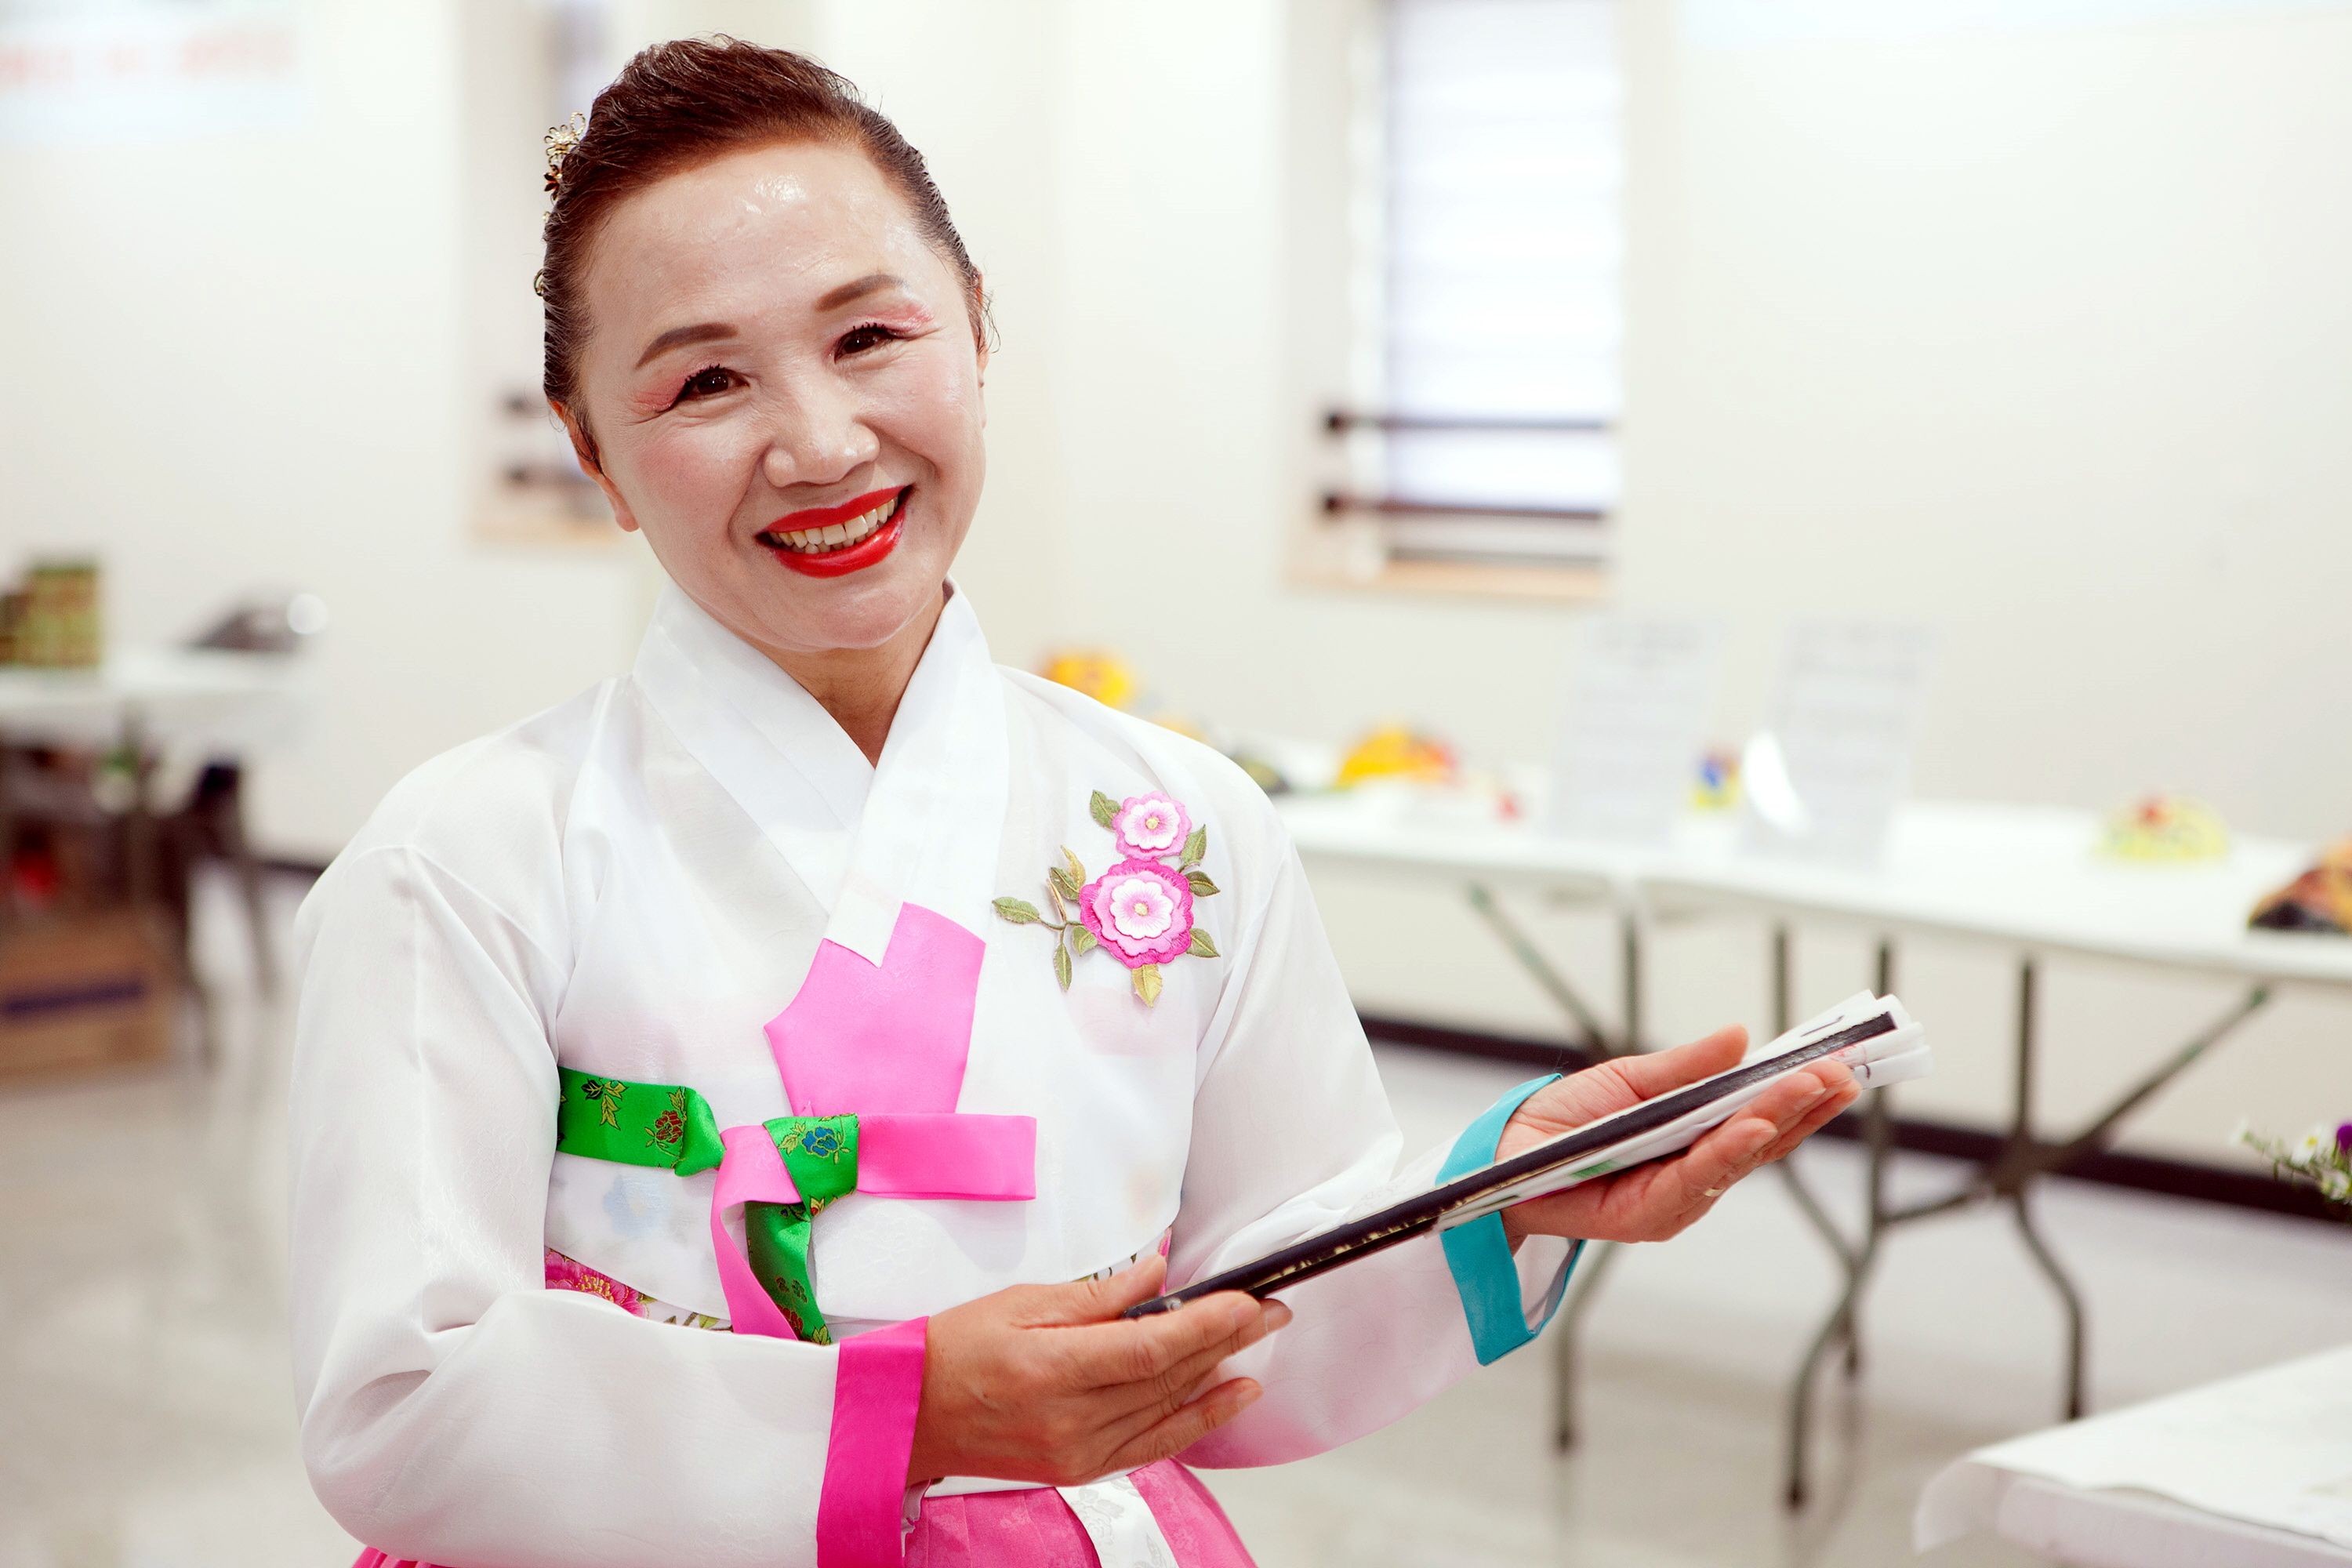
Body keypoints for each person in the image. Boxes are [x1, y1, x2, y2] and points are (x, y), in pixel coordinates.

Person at [286, 38, 1859, 1568]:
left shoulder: (1181, 823)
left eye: (869, 337)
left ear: (976, 327)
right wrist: (904, 1418)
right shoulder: (465, 860)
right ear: (593, 453)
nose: (822, 445)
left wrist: (1500, 1200)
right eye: (706, 380)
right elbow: (403, 1404)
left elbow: (1250, 1313)